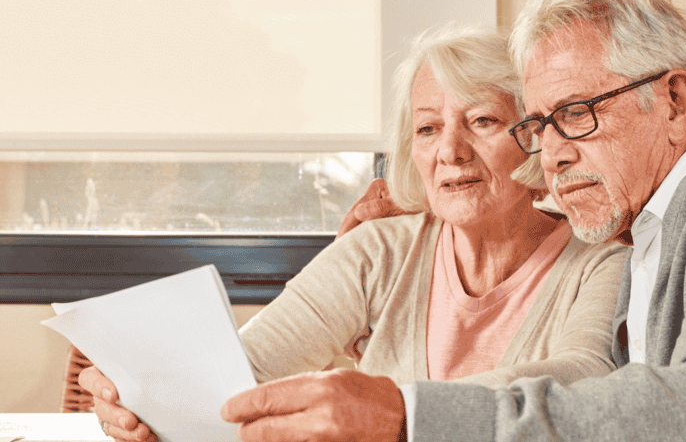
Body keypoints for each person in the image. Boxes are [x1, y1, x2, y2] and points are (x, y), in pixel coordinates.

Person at [214, 0, 686, 441]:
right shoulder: (648, 225)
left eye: (576, 114)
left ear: (676, 98)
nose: (551, 151)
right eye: (537, 123)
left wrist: (412, 414)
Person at [79, 24, 629, 441]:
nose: (450, 151)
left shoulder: (600, 262)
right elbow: (244, 369)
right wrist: (143, 388)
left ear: (532, 134)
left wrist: (393, 409)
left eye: (482, 120)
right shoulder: (379, 250)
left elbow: (582, 379)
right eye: (428, 127)